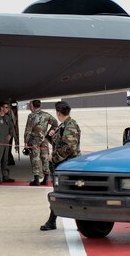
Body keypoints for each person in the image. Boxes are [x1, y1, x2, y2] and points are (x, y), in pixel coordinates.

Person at [40, 101, 81, 231]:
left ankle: (53, 221)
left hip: (68, 166)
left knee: (68, 194)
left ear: (58, 112)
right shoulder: (63, 126)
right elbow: (59, 142)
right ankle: (52, 221)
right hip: (63, 165)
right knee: (61, 193)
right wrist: (50, 136)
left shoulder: (70, 126)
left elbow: (69, 147)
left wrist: (54, 156)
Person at [24, 99, 59, 186]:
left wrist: (26, 142)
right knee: (45, 157)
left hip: (34, 140)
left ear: (32, 106)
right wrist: (50, 132)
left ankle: (36, 179)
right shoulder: (46, 115)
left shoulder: (31, 116)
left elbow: (28, 130)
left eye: (30, 105)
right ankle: (46, 179)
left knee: (35, 158)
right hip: (44, 139)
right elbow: (55, 123)